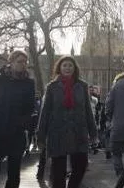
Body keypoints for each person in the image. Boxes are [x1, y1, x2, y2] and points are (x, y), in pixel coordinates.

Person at [37, 55, 97, 188]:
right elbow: (45, 112)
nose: (67, 68)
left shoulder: (82, 86)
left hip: (78, 132)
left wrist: (93, 133)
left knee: (81, 166)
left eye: (70, 65)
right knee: (58, 172)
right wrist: (40, 136)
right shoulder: (52, 87)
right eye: (64, 65)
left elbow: (88, 111)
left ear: (75, 68)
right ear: (60, 68)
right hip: (58, 132)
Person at [0, 50, 35, 188]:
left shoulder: (29, 83)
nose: (23, 65)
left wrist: (23, 122)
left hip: (16, 134)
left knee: (14, 175)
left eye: (25, 62)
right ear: (10, 63)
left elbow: (30, 108)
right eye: (19, 62)